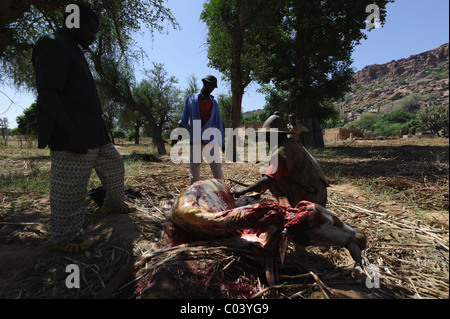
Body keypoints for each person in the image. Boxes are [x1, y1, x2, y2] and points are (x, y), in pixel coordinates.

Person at [32, 3, 135, 253]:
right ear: (74, 22)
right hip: (72, 133)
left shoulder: (73, 49)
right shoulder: (53, 44)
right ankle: (64, 237)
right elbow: (47, 93)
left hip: (94, 131)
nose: (94, 35)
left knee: (114, 165)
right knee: (71, 186)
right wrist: (71, 131)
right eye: (91, 29)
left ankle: (112, 204)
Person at [233, 113, 329, 207]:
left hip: (310, 201)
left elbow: (269, 179)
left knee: (268, 176)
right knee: (266, 171)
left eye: (267, 135)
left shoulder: (281, 152)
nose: (266, 140)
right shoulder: (292, 144)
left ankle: (289, 206)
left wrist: (244, 191)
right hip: (320, 196)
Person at [173, 75, 225, 185]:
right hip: (195, 139)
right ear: (204, 83)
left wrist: (222, 142)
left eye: (213, 87)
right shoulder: (191, 99)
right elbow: (184, 118)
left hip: (211, 139)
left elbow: (218, 122)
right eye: (209, 85)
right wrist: (177, 136)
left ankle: (221, 190)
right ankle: (193, 193)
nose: (211, 88)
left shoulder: (214, 103)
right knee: (194, 168)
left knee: (216, 167)